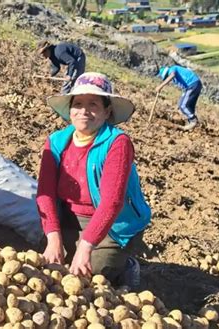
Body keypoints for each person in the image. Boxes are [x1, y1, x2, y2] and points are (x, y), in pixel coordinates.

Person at [36, 72, 151, 287]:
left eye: (93, 104)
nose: (83, 111)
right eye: (77, 104)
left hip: (113, 224)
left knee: (88, 274)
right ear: (70, 110)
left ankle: (126, 265)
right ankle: (74, 245)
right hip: (69, 218)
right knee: (46, 261)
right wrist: (53, 237)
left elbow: (111, 202)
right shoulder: (56, 142)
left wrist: (85, 247)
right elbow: (45, 194)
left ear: (107, 111)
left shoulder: (117, 143)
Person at [155, 65, 202, 131]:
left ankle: (193, 121)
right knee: (189, 106)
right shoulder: (175, 72)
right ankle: (192, 124)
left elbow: (172, 75)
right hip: (194, 85)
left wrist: (160, 86)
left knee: (183, 105)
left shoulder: (173, 69)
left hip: (192, 85)